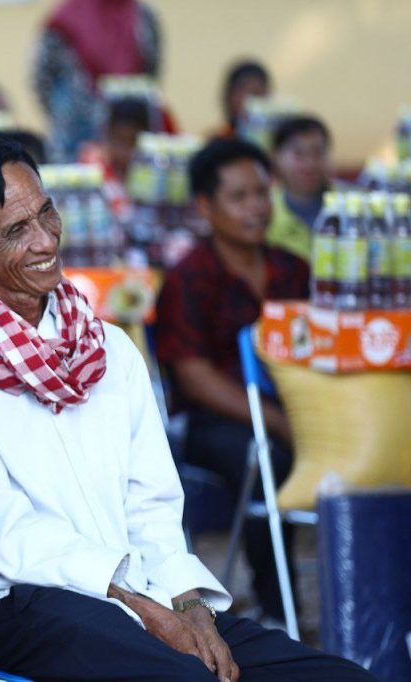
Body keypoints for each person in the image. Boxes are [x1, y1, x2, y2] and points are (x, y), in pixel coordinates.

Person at [0, 136, 374, 681]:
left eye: (47, 213)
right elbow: (5, 536)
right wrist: (137, 604)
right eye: (16, 230)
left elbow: (153, 502)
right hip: (20, 599)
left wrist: (190, 603)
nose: (45, 240)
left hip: (141, 587)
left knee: (337, 677)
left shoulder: (108, 346)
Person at [155, 138, 310, 626]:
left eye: (262, 193)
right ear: (205, 206)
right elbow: (193, 375)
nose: (256, 207)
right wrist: (275, 421)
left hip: (295, 411)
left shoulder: (294, 269)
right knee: (265, 458)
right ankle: (278, 608)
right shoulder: (189, 277)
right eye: (239, 197)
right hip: (214, 422)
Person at [33, 0, 162, 161]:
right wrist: (66, 114)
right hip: (76, 135)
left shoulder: (141, 15)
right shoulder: (65, 19)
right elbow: (42, 77)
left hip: (131, 129)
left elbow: (150, 72)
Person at [267, 116, 333, 261]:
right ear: (276, 156)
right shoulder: (265, 211)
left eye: (318, 152)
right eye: (299, 154)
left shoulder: (354, 205)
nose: (310, 163)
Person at [217, 60, 271, 139]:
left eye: (256, 92)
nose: (249, 102)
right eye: (242, 91)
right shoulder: (221, 138)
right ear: (229, 97)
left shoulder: (281, 137)